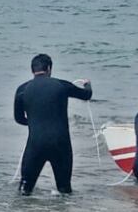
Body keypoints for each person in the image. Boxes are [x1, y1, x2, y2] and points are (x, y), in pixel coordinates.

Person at [12, 53, 92, 195]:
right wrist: (87, 85)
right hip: (60, 144)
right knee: (64, 190)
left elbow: (18, 118)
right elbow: (86, 95)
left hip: (35, 145)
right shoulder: (61, 85)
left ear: (32, 70)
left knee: (24, 190)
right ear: (49, 68)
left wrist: (35, 123)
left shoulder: (22, 90)